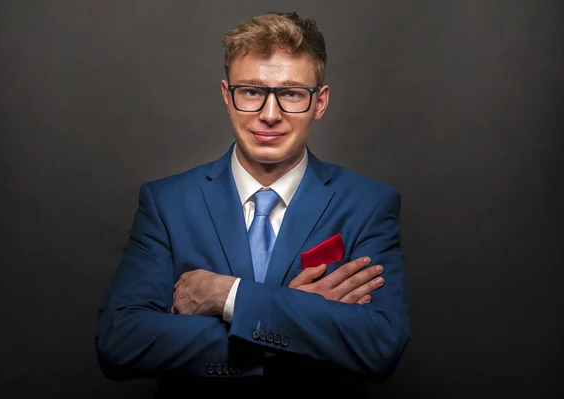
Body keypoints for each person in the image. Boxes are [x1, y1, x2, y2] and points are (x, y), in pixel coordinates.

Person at [95, 11, 410, 396]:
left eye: (292, 93)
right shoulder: (167, 202)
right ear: (227, 96)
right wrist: (295, 319)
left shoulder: (368, 205)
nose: (270, 115)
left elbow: (379, 345)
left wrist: (228, 296)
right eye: (252, 92)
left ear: (320, 102)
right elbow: (120, 342)